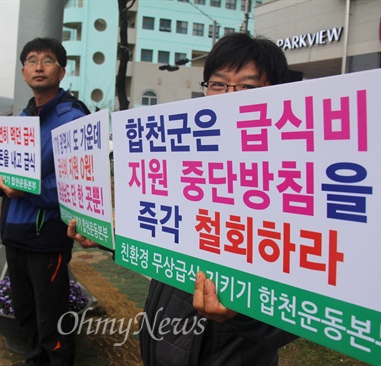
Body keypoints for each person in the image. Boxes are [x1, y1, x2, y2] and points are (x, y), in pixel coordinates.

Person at [67, 33, 298, 365]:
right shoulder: (183, 162)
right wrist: (107, 237)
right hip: (164, 335)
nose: (228, 98)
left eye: (247, 87)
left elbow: (305, 309)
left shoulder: (292, 181)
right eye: (217, 85)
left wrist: (243, 315)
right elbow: (162, 233)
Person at [0, 37, 89, 366]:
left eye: (47, 60)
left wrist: (27, 189)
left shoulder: (73, 118)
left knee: (51, 323)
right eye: (31, 60)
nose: (38, 66)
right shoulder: (21, 119)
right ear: (23, 72)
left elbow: (78, 181)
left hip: (46, 238)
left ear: (62, 71)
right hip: (14, 233)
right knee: (25, 316)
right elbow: (13, 175)